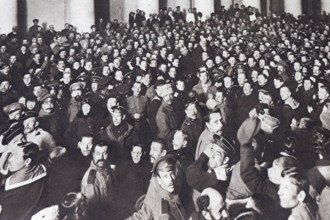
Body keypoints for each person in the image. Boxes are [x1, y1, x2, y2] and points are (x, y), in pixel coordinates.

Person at [126, 155, 186, 220]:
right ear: (159, 180)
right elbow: (143, 215)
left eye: (171, 174)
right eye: (165, 176)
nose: (170, 179)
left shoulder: (178, 181)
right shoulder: (162, 209)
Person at [0, 142, 47, 220]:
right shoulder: (40, 170)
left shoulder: (10, 191)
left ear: (27, 161)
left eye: (16, 156)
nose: (10, 159)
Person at [81, 141, 116, 219]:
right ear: (93, 154)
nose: (101, 157)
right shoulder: (90, 179)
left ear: (108, 154)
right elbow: (92, 210)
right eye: (98, 153)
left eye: (104, 153)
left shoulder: (108, 168)